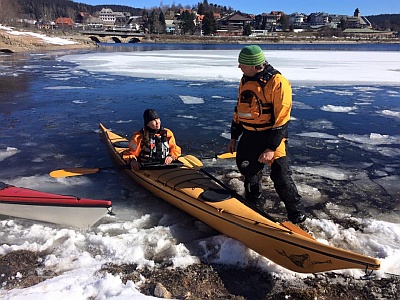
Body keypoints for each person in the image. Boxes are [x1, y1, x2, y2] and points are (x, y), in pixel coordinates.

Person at [227, 45, 306, 224]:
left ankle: (296, 215)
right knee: (249, 171)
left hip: (272, 136)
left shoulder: (278, 82)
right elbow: (240, 110)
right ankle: (253, 204)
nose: (239, 67)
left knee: (280, 175)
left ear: (255, 65)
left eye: (242, 64)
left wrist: (271, 148)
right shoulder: (245, 79)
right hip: (250, 135)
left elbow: (282, 119)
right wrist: (234, 137)